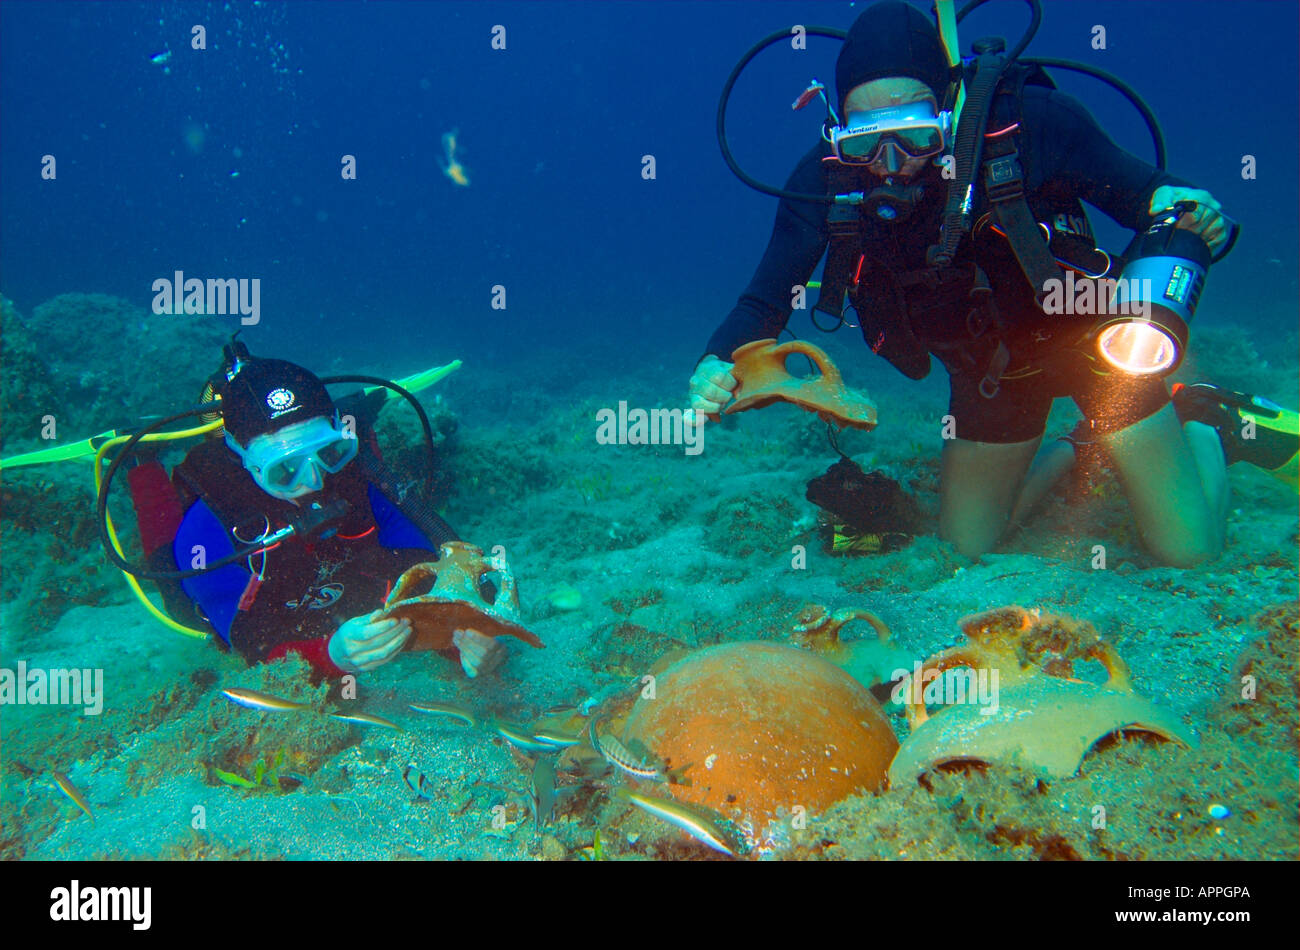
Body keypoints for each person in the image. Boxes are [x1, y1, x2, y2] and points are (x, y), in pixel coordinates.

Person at [689, 0, 1288, 567]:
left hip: (1103, 352)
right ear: (837, 127)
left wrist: (1185, 208)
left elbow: (1145, 196)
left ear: (947, 105)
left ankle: (1206, 420)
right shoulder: (823, 182)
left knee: (1187, 550)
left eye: (916, 133)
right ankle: (1081, 447)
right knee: (966, 548)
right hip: (992, 375)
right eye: (867, 140)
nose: (892, 162)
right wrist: (716, 363)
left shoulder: (1033, 125)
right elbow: (763, 300)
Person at [127, 345, 504, 678]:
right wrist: (331, 656)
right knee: (177, 596)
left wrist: (464, 640)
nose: (314, 482)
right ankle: (140, 462)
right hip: (257, 595)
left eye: (329, 453)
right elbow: (249, 643)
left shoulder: (358, 481)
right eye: (285, 470)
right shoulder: (206, 530)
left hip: (336, 586)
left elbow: (426, 567)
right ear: (246, 461)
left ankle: (358, 419)